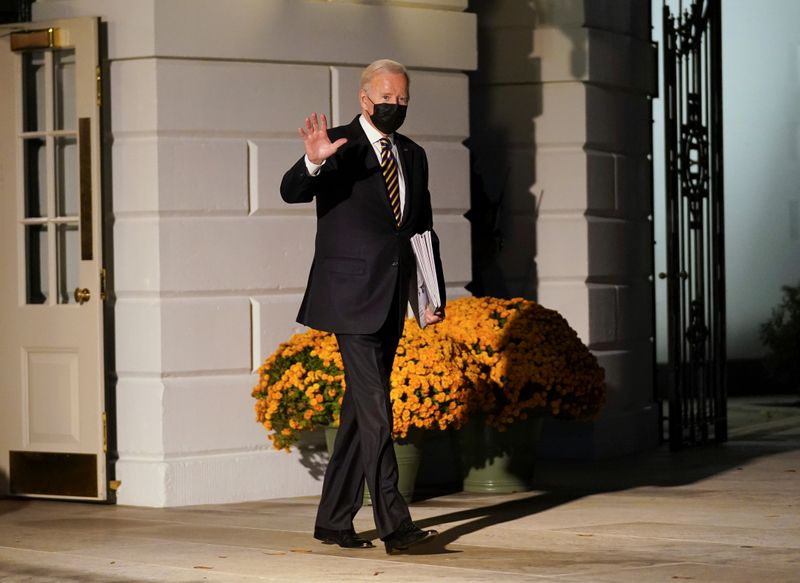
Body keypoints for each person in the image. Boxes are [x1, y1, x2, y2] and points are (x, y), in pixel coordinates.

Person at [280, 59, 446, 554]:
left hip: (392, 297)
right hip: (350, 298)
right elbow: (292, 191)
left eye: (403, 100)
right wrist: (313, 161)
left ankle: (334, 520)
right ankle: (396, 525)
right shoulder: (337, 145)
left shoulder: (412, 154)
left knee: (358, 411)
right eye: (387, 98)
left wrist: (430, 295)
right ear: (364, 99)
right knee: (377, 411)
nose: (395, 107)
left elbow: (421, 229)